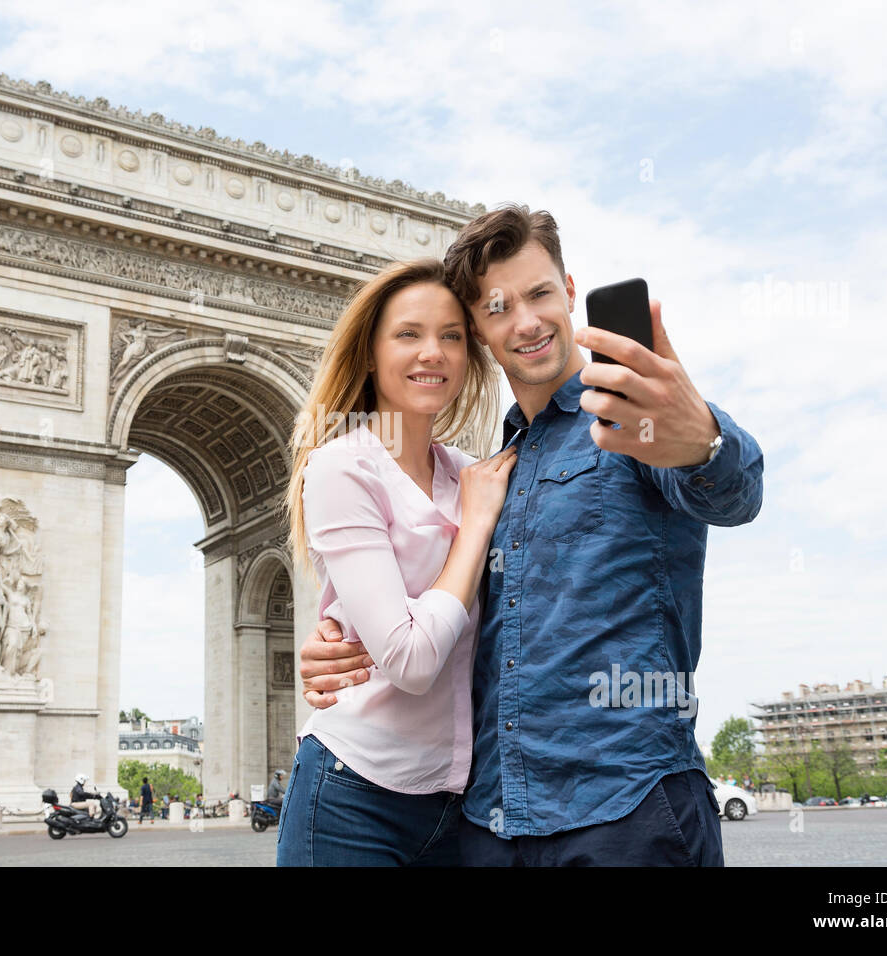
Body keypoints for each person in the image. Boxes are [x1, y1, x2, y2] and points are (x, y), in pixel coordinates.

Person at [300, 204, 764, 866]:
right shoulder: (482, 474)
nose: (525, 321)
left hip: (625, 810)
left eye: (540, 294)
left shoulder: (634, 420)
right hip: (491, 824)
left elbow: (737, 493)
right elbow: (436, 619)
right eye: (497, 308)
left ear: (570, 292)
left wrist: (706, 443)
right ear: (481, 333)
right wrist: (343, 648)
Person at [274, 257, 511, 868]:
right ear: (371, 353)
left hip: (463, 804)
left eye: (452, 336)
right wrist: (475, 527)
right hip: (353, 797)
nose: (432, 352)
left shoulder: (472, 473)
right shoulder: (341, 467)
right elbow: (409, 660)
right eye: (408, 333)